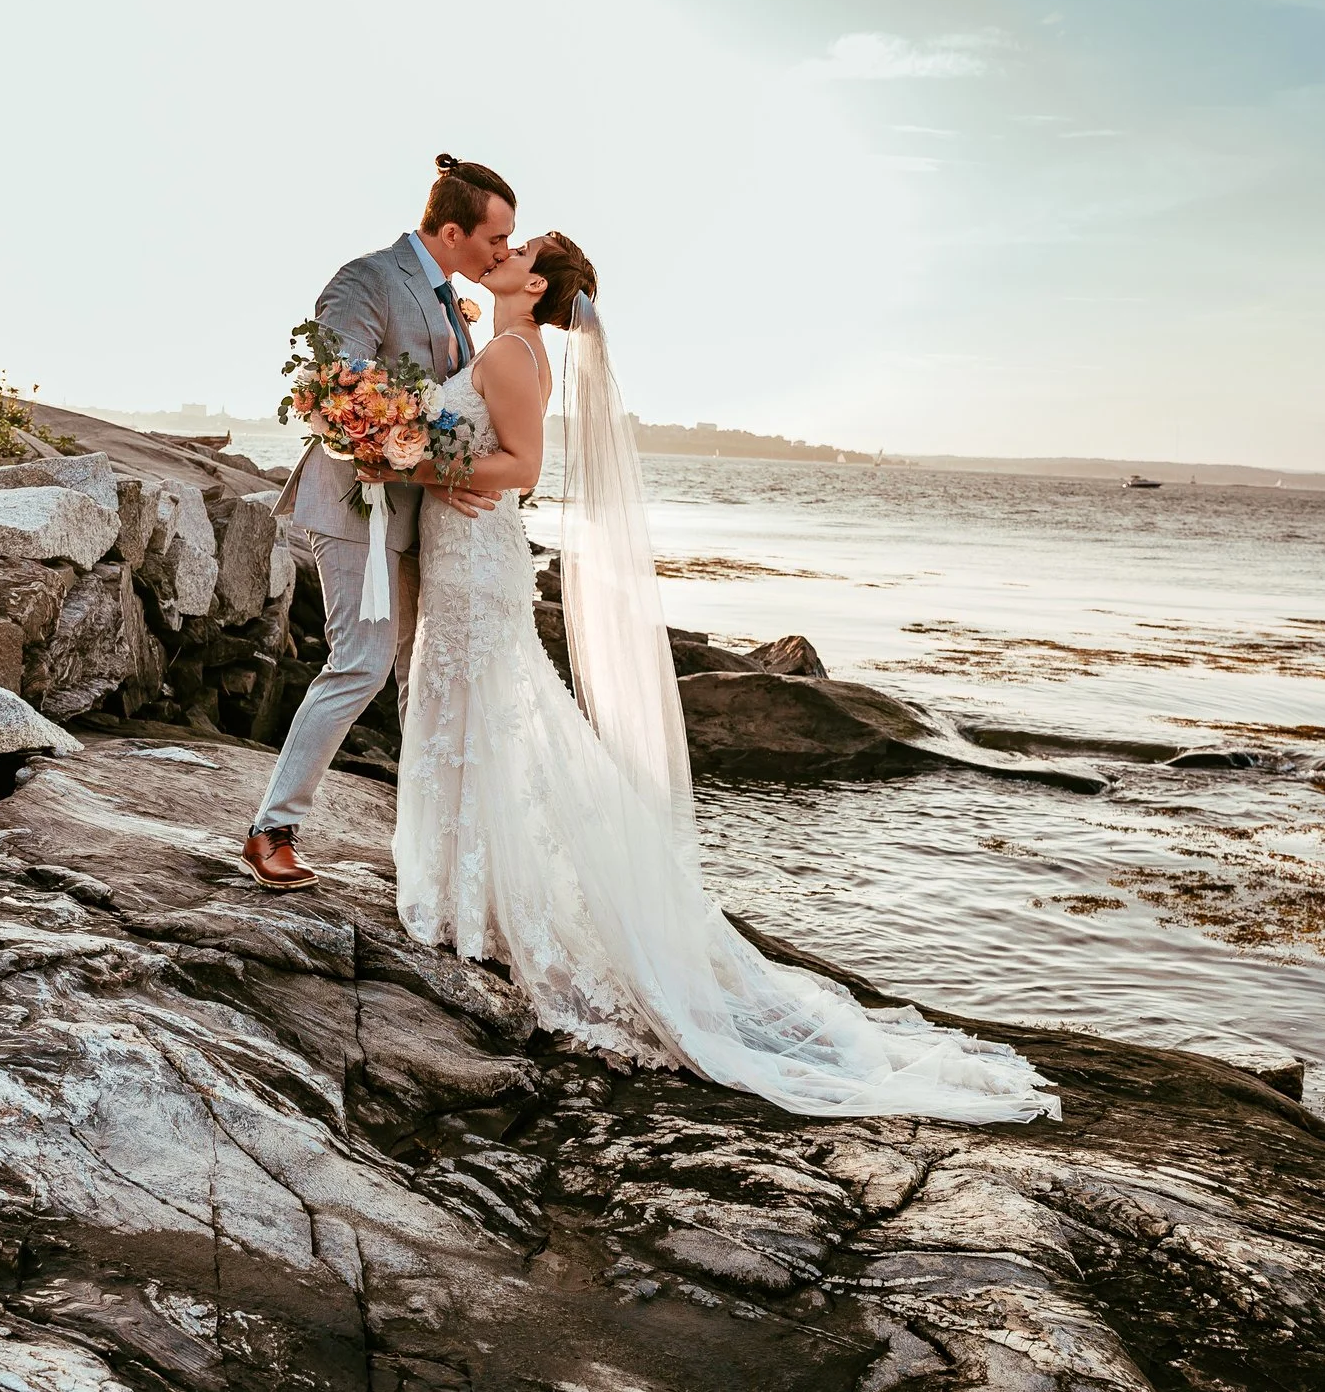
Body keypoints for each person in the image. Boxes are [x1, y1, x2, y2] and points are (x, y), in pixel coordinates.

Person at [384, 234, 1062, 1123]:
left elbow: (525, 470)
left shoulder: (514, 352)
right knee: (489, 716)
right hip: (468, 555)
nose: (503, 250)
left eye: (522, 247)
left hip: (475, 558)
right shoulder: (508, 345)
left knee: (491, 713)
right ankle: (467, 890)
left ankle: (472, 899)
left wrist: (417, 462)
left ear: (536, 281)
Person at [245, 155, 507, 889]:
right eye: (494, 237)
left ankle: (426, 846)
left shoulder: (451, 300)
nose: (500, 252)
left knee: (419, 677)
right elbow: (335, 395)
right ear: (452, 231)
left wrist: (449, 474)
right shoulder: (368, 279)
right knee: (360, 662)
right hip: (357, 506)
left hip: (425, 523)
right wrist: (428, 462)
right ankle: (271, 829)